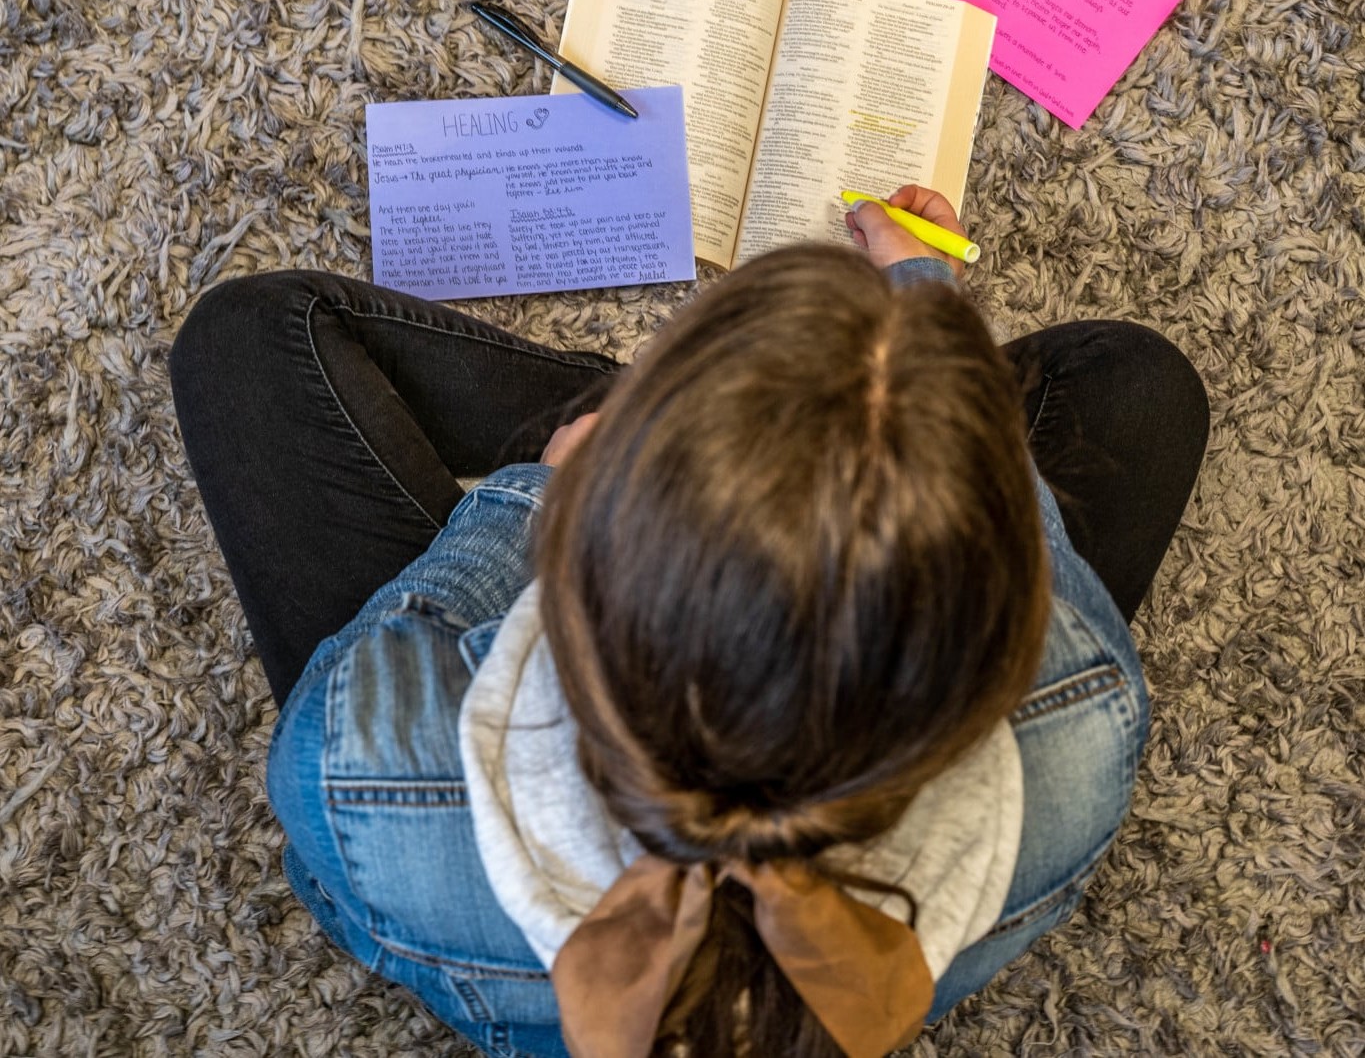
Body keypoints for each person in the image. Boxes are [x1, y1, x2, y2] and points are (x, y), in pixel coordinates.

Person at [169, 186, 1209, 1058]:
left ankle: (684, 412)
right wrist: (919, 324)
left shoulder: (359, 767)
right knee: (1141, 387)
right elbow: (1015, 525)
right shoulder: (1087, 710)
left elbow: (337, 875)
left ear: (587, 562)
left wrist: (527, 494)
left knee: (254, 331)